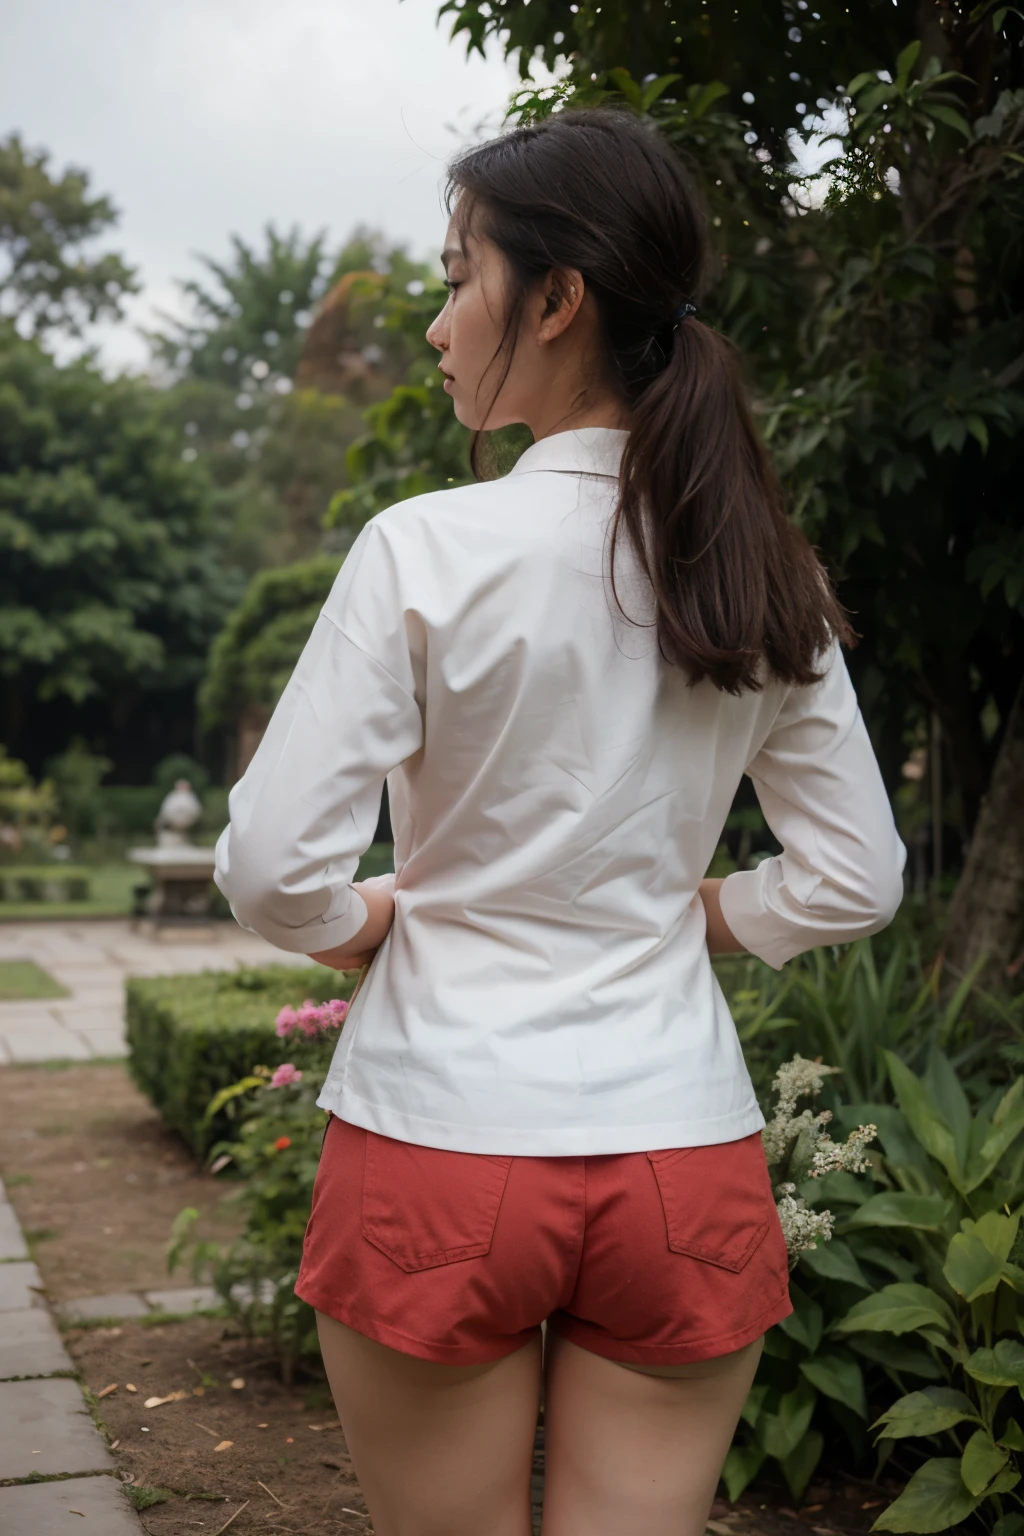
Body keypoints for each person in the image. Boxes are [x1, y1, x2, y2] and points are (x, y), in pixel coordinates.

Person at [214, 107, 905, 1536]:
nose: (436, 322)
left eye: (458, 274)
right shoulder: (761, 570)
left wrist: (365, 922)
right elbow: (858, 879)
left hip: (436, 1145)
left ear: (559, 296)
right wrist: (703, 909)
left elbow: (276, 871)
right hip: (681, 1164)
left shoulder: (424, 549)